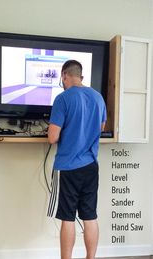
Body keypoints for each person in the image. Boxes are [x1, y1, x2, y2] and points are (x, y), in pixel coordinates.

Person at [47, 60, 107, 259]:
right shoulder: (98, 97)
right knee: (90, 215)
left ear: (64, 76)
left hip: (68, 167)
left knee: (67, 217)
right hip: (91, 166)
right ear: (80, 76)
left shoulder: (62, 99)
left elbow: (53, 137)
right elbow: (101, 127)